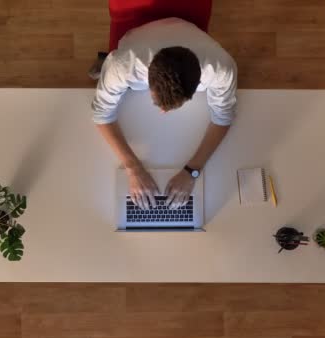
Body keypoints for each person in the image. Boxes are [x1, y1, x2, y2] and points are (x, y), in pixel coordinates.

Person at [91, 17, 237, 211]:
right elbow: (101, 114)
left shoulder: (221, 69)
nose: (162, 112)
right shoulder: (124, 66)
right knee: (108, 74)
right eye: (157, 103)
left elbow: (223, 117)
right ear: (146, 79)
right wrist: (132, 168)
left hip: (187, 30)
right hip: (137, 37)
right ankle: (104, 66)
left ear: (198, 84)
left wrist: (192, 171)